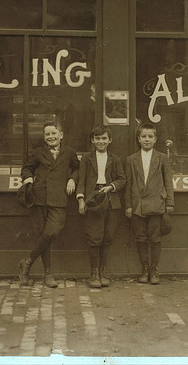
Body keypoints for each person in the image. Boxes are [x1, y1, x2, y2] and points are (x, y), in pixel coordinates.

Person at [19, 121, 80, 288]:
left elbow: (77, 168)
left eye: (54, 133)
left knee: (52, 232)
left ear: (61, 135)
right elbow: (26, 168)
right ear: (44, 138)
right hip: (40, 197)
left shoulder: (69, 153)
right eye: (48, 134)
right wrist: (28, 177)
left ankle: (27, 262)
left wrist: (72, 179)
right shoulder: (38, 153)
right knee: (42, 234)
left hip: (59, 198)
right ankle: (48, 274)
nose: (51, 137)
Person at [124, 123, 174, 285]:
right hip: (138, 205)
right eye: (143, 136)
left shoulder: (162, 158)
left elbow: (168, 183)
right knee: (140, 238)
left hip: (156, 204)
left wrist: (169, 204)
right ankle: (144, 269)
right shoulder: (131, 160)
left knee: (155, 238)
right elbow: (129, 184)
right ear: (138, 139)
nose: (147, 139)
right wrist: (128, 206)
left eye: (150, 136)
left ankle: (154, 270)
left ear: (155, 139)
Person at [76, 125, 126, 288]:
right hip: (93, 200)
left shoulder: (115, 159)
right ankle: (94, 274)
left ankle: (103, 272)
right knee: (94, 238)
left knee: (107, 237)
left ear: (110, 140)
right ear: (92, 140)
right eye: (97, 138)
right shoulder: (86, 158)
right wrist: (81, 200)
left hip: (111, 200)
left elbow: (122, 180)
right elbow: (81, 180)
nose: (101, 141)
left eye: (104, 138)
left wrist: (111, 187)